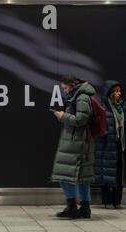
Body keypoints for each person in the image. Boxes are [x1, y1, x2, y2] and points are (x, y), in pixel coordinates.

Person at [51, 75, 96, 219]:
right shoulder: (79, 95)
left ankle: (72, 207)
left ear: (72, 84)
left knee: (64, 174)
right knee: (82, 177)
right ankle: (84, 208)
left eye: (65, 88)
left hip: (77, 142)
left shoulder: (81, 97)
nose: (64, 91)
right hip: (79, 141)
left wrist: (63, 116)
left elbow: (81, 119)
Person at [94, 81, 125, 208]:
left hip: (119, 145)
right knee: (106, 172)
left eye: (119, 91)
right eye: (116, 91)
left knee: (119, 173)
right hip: (107, 145)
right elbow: (100, 126)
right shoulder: (103, 107)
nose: (118, 94)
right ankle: (106, 201)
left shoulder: (122, 107)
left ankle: (117, 201)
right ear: (110, 93)